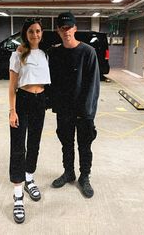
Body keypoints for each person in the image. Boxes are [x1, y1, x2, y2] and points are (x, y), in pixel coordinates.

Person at [48, 12, 100, 198]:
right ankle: (69, 172)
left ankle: (84, 177)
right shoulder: (54, 53)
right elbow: (52, 81)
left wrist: (87, 112)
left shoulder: (88, 52)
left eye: (69, 27)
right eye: (62, 28)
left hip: (83, 111)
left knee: (84, 146)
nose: (66, 31)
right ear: (58, 31)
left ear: (75, 29)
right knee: (66, 143)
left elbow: (93, 85)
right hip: (64, 109)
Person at [9, 18, 51, 224]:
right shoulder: (17, 55)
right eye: (31, 31)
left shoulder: (45, 54)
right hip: (23, 100)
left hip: (40, 101)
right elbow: (12, 87)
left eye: (38, 31)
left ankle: (29, 178)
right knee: (18, 148)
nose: (35, 34)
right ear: (25, 34)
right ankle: (18, 197)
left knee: (34, 143)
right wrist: (12, 111)